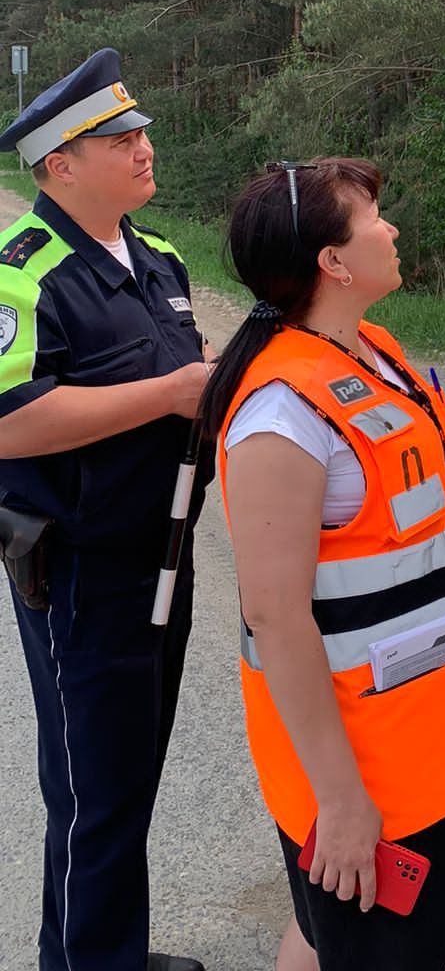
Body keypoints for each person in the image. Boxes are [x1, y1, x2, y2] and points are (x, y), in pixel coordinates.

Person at [194, 157, 445, 971]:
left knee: (342, 935)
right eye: (374, 219)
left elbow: (429, 448)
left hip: (429, 747)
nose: (391, 230)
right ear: (333, 262)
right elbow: (275, 617)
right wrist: (340, 804)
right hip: (362, 775)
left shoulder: (373, 351)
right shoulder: (280, 416)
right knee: (367, 942)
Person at [0, 47, 211, 971]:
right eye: (117, 136)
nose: (142, 146)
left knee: (129, 777)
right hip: (83, 576)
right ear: (59, 166)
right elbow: (9, 424)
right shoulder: (22, 272)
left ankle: (99, 951)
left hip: (164, 559)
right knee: (93, 788)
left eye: (141, 130)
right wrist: (167, 396)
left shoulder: (159, 258)